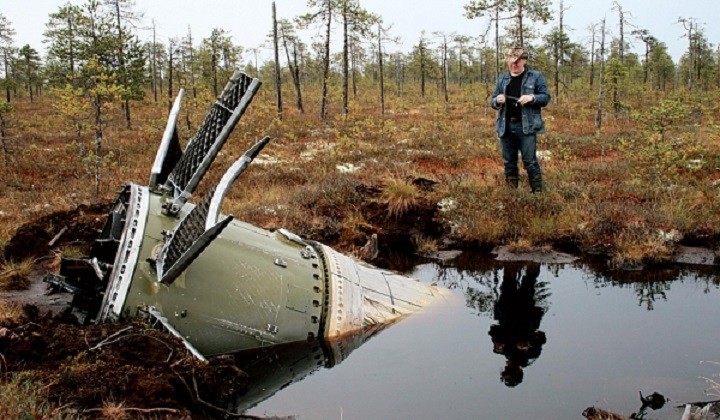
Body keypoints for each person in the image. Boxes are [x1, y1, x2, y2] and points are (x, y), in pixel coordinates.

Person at [491, 47, 550, 192]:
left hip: (526, 127)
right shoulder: (502, 79)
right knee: (509, 162)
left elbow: (545, 97)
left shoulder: (535, 76)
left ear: (523, 61)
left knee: (530, 162)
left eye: (516, 62)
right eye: (510, 62)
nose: (513, 65)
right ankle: (512, 195)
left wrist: (531, 98)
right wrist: (497, 101)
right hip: (506, 127)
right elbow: (492, 101)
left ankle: (537, 193)